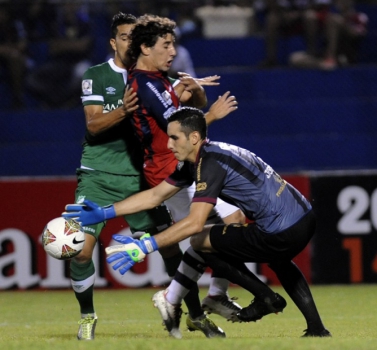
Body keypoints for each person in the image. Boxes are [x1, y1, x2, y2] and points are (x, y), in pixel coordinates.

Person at [63, 106, 331, 338]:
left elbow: (193, 223)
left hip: (280, 231)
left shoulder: (209, 163)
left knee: (199, 240)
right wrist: (105, 213)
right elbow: (156, 195)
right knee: (278, 258)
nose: (168, 145)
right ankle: (316, 327)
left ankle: (265, 297)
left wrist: (144, 247)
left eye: (173, 138)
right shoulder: (206, 156)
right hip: (304, 218)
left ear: (193, 137)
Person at [69, 12, 241, 341]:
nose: (131, 43)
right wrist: (123, 110)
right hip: (100, 175)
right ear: (114, 42)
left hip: (140, 176)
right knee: (80, 250)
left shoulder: (157, 75)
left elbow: (183, 112)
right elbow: (92, 125)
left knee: (172, 250)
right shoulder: (98, 75)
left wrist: (194, 90)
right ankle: (88, 316)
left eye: (136, 37)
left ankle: (195, 315)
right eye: (125, 37)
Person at [122, 14, 246, 338]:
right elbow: (177, 131)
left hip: (185, 165)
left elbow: (187, 106)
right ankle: (186, 297)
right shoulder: (144, 86)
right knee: (216, 231)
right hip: (171, 171)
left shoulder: (159, 80)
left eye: (173, 43)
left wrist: (193, 91)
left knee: (225, 226)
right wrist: (211, 116)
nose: (173, 51)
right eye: (166, 44)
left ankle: (203, 297)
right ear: (146, 48)